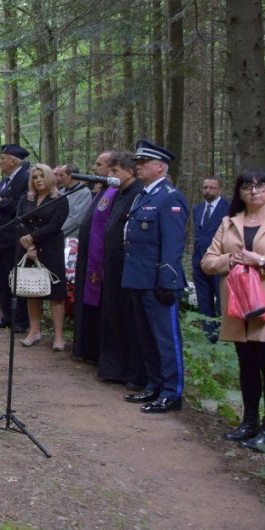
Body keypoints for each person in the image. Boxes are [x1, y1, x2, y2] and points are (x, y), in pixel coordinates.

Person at [202, 170, 265, 452]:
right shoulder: (229, 222)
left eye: (261, 186)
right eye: (247, 186)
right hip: (238, 307)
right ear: (239, 193)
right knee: (247, 366)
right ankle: (249, 423)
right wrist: (229, 259)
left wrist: (261, 260)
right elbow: (208, 261)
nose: (254, 191)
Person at [121, 139, 189, 414]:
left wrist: (167, 280)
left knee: (165, 337)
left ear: (160, 167)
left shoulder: (170, 197)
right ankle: (154, 385)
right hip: (138, 277)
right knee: (146, 336)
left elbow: (173, 245)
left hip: (158, 281)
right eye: (137, 163)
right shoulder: (143, 196)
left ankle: (172, 393)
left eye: (143, 163)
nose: (138, 166)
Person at [96, 152, 147, 385]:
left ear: (130, 171)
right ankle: (113, 368)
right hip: (112, 264)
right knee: (112, 316)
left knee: (128, 318)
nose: (111, 175)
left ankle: (132, 371)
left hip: (127, 266)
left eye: (116, 171)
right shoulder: (119, 193)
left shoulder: (138, 193)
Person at [15, 164, 69, 349]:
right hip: (27, 249)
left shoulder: (60, 200)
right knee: (33, 291)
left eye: (41, 176)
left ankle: (59, 336)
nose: (38, 180)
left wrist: (33, 238)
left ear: (50, 178)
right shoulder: (25, 198)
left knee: (56, 294)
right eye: (35, 177)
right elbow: (19, 220)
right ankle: (34, 330)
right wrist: (29, 244)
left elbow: (56, 224)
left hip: (50, 248)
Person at [71, 151, 114, 363]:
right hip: (87, 256)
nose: (94, 169)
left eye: (99, 164)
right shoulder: (101, 191)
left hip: (100, 262)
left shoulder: (114, 192)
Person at [0, 143, 31, 332]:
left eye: (3, 158)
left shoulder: (25, 179)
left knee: (15, 279)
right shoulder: (5, 180)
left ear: (13, 160)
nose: (0, 162)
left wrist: (1, 202)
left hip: (11, 238)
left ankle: (20, 320)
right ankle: (6, 315)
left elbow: (23, 208)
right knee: (1, 279)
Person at [193, 177, 229, 342]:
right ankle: (209, 335)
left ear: (219, 190)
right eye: (205, 187)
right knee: (204, 299)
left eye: (211, 188)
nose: (207, 190)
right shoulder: (198, 209)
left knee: (221, 299)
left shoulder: (228, 209)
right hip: (199, 262)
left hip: (218, 261)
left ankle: (225, 334)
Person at [55, 164, 92, 239]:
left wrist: (57, 233)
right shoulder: (60, 192)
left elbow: (76, 220)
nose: (59, 179)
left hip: (72, 238)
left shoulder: (84, 193)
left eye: (62, 175)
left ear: (71, 176)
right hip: (57, 237)